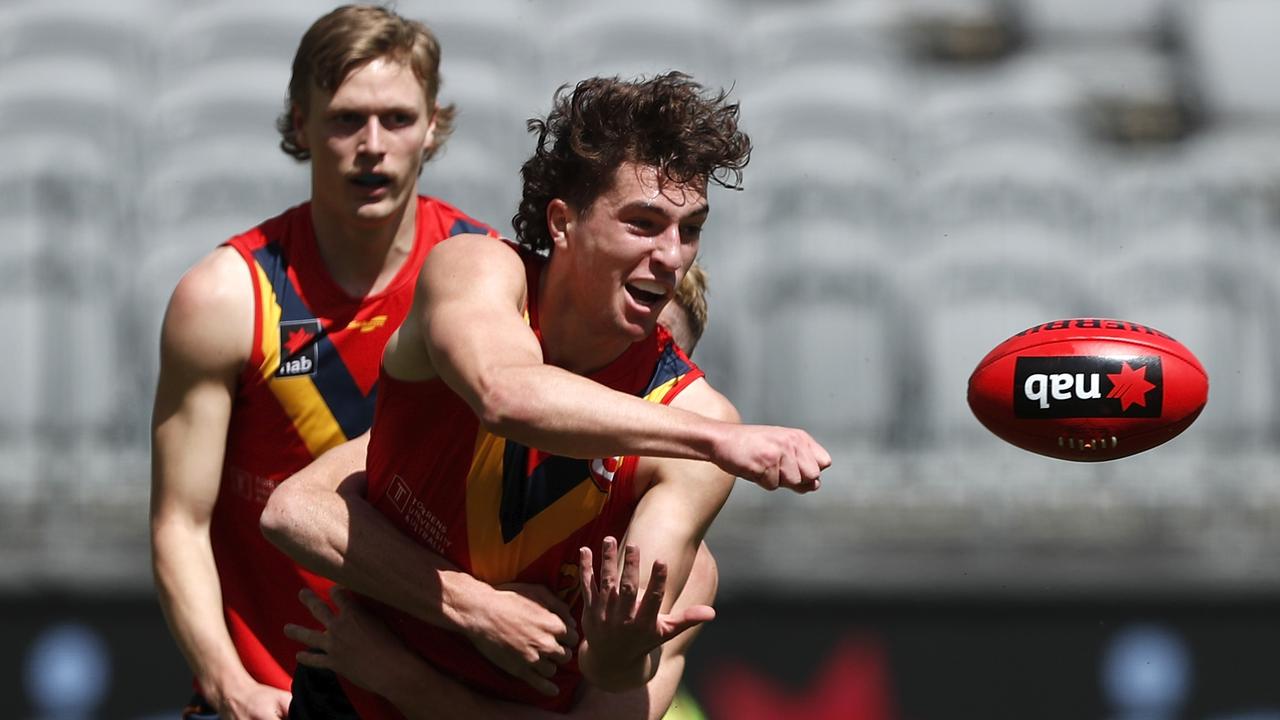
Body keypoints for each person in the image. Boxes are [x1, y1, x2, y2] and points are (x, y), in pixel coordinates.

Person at [263, 71, 830, 719]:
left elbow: (608, 684)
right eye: (644, 223)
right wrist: (479, 608)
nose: (673, 255)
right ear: (562, 222)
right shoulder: (475, 270)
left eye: (691, 228)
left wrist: (618, 651)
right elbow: (505, 396)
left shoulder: (694, 421)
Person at [150, 6, 580, 718]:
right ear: (299, 125)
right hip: (273, 699)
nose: (373, 145)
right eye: (347, 119)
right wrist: (230, 687)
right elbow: (178, 523)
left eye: (398, 119)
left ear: (434, 127)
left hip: (430, 698)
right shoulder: (226, 297)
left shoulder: (492, 281)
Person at [270, 268, 720, 720]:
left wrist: (402, 678)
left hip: (375, 672)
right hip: (346, 699)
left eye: (657, 359)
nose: (627, 368)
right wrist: (479, 607)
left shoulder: (685, 572)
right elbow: (293, 511)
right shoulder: (461, 417)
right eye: (617, 346)